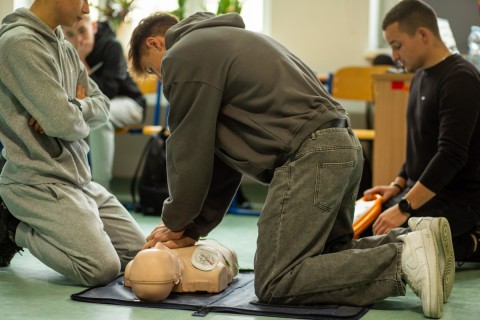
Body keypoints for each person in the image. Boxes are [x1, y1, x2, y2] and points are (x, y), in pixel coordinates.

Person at [127, 11, 454, 318]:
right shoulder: (225, 41)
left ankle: (402, 258)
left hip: (309, 154)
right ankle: (413, 240)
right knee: (329, 255)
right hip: (342, 147)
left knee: (275, 280)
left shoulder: (182, 56)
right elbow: (219, 159)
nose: (161, 79)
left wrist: (176, 220)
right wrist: (193, 228)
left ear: (156, 44)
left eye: (154, 70)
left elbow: (188, 150)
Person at [0, 0, 145, 287]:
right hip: (39, 182)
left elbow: (102, 106)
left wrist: (72, 105)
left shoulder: (64, 46)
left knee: (141, 255)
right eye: (84, 0)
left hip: (79, 180)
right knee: (101, 269)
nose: (88, 9)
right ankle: (11, 226)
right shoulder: (18, 44)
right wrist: (67, 114)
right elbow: (63, 123)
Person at [364, 0, 480, 264]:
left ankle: (472, 243)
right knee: (362, 224)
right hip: (423, 196)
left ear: (423, 35)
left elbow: (450, 155)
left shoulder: (460, 79)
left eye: (397, 45)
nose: (393, 56)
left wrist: (405, 207)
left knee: (387, 247)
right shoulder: (419, 76)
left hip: (459, 202)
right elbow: (421, 142)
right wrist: (397, 185)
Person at [62, 15, 147, 190]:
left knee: (101, 117)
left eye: (82, 31)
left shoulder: (112, 47)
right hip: (90, 105)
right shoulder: (64, 51)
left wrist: (81, 63)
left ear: (93, 26)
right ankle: (71, 185)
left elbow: (108, 92)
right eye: (70, 34)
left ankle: (100, 190)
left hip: (129, 103)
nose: (78, 39)